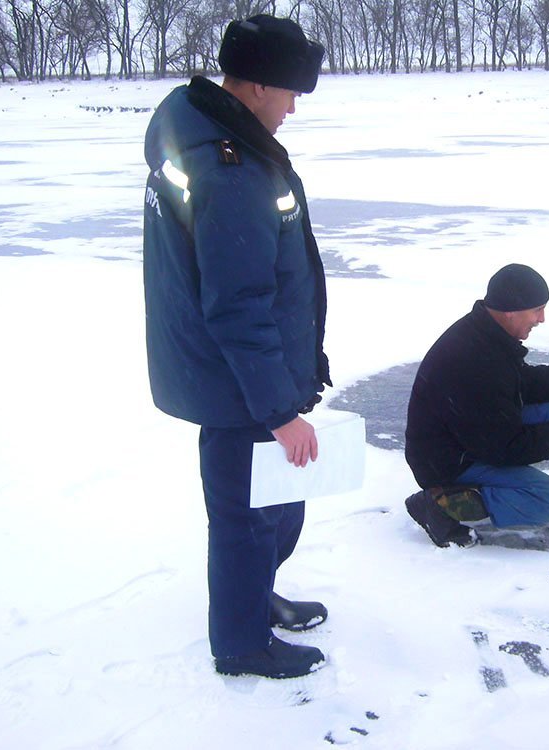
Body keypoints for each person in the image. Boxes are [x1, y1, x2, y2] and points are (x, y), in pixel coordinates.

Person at [142, 16, 331, 679]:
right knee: (248, 517)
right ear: (255, 86)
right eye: (290, 92)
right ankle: (242, 644)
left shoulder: (214, 139)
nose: (293, 107)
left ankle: (254, 596)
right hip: (237, 382)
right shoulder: (229, 170)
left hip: (239, 373)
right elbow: (239, 304)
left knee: (274, 508)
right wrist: (279, 410)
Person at [404, 264, 549, 548]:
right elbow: (500, 447)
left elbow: (518, 381)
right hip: (445, 462)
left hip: (459, 439)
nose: (542, 319)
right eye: (537, 310)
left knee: (544, 411)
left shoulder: (485, 333)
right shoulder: (474, 360)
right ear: (512, 309)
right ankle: (442, 505)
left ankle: (487, 484)